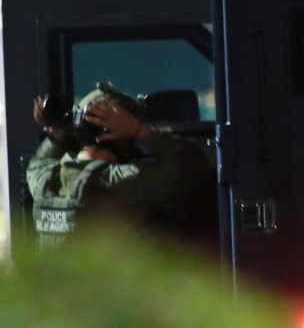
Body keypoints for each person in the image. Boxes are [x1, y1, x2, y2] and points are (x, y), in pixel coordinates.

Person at [26, 81, 201, 248]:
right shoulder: (118, 182)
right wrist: (138, 130)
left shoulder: (43, 179)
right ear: (124, 139)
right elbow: (193, 164)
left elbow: (39, 161)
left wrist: (58, 133)